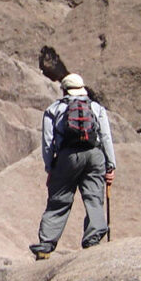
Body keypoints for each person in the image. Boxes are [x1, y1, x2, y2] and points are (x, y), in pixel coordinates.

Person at [30, 73, 116, 258]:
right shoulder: (96, 108)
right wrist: (111, 166)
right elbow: (106, 137)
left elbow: (47, 143)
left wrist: (50, 168)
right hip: (95, 155)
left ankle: (46, 245)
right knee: (94, 198)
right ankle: (93, 240)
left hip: (67, 157)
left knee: (59, 201)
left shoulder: (54, 109)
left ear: (64, 90)